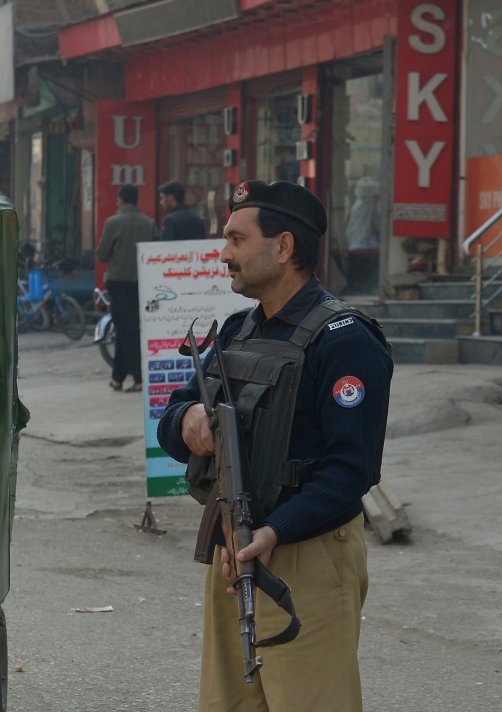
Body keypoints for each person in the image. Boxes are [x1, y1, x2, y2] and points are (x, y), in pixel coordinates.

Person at [157, 180, 392, 712]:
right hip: (234, 549)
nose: (224, 254)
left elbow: (351, 470)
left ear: (283, 248)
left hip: (305, 553)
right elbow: (172, 416)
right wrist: (188, 420)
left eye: (237, 240)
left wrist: (275, 531)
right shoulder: (238, 331)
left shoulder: (346, 339)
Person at [96, 184, 156, 391]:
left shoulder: (113, 222)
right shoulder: (148, 224)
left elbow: (102, 254)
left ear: (120, 200)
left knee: (127, 330)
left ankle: (139, 379)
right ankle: (117, 378)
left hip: (118, 283)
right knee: (125, 328)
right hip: (141, 282)